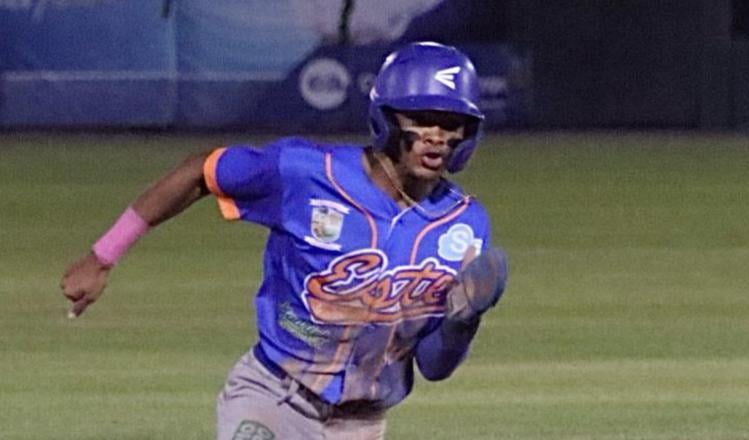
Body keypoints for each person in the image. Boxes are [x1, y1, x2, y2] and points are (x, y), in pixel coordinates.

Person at [60, 41, 508, 440]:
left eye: (453, 123)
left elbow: (434, 365)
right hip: (272, 398)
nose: (438, 137)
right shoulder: (306, 173)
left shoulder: (464, 226)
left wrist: (463, 319)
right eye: (423, 119)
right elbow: (202, 170)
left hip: (362, 423)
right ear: (387, 118)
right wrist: (104, 255)